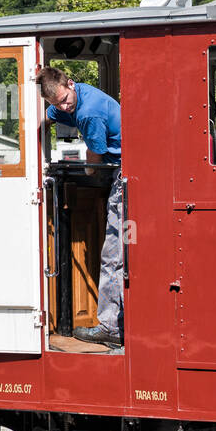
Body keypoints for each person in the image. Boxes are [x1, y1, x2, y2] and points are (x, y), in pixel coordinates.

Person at [36, 66, 124, 348]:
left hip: (124, 170)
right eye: (57, 103)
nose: (64, 106)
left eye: (64, 100)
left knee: (113, 255)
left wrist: (86, 172)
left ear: (70, 83)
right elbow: (49, 117)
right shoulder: (77, 95)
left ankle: (111, 326)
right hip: (121, 166)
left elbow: (94, 157)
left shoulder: (89, 112)